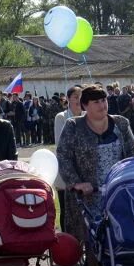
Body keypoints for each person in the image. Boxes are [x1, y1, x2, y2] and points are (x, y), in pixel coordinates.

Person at [56, 85, 134, 255]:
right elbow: (63, 156)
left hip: (117, 192)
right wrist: (76, 183)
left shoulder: (121, 123)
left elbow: (133, 152)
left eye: (103, 100)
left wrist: (130, 177)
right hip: (87, 195)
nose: (102, 105)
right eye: (96, 102)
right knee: (92, 242)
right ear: (85, 105)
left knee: (122, 238)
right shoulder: (73, 126)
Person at [54, 85, 82, 234]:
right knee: (66, 211)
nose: (79, 100)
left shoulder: (88, 116)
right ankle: (67, 240)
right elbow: (61, 144)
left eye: (81, 97)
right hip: (65, 172)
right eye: (76, 97)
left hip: (84, 172)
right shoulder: (61, 117)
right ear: (69, 99)